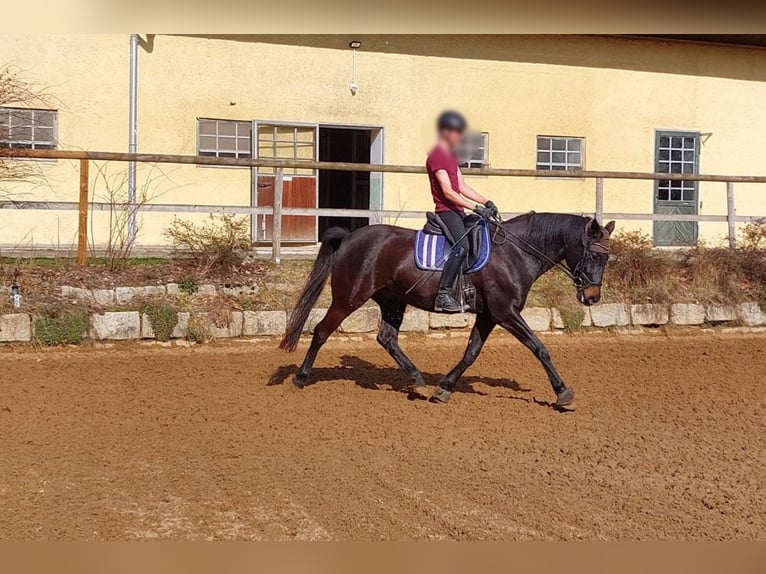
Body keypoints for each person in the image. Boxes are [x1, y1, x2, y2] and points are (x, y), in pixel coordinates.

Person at [427, 110, 499, 312]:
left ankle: (468, 288)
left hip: (458, 211)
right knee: (462, 247)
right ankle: (443, 294)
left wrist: (486, 201)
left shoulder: (450, 157)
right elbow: (448, 192)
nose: (460, 137)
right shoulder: (437, 156)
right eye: (458, 133)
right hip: (446, 211)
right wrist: (475, 207)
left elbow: (462, 186)